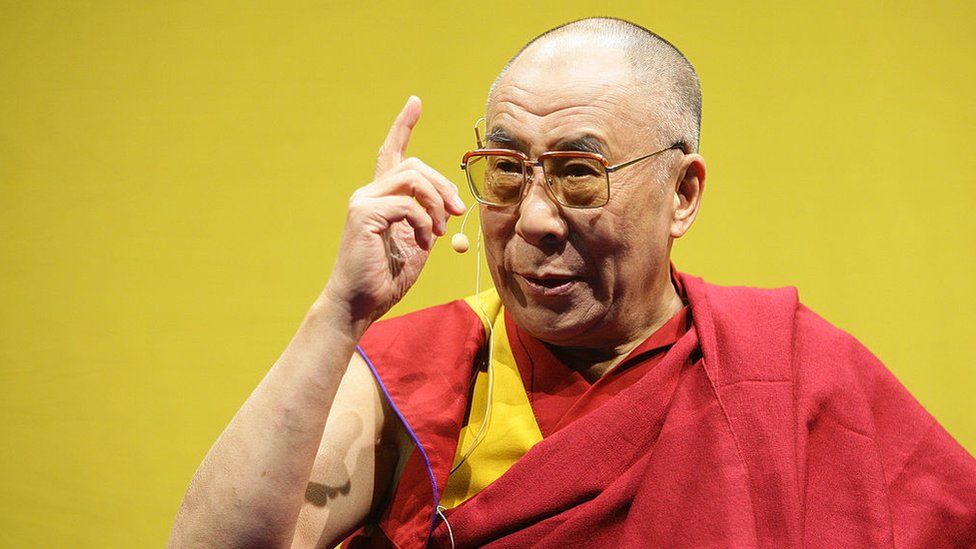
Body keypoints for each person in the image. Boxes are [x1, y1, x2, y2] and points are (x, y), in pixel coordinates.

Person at [169, 17, 976, 548]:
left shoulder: (791, 376)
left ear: (683, 194)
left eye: (580, 173)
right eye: (509, 170)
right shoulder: (432, 369)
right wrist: (338, 315)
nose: (534, 219)